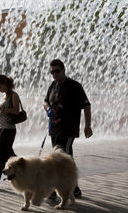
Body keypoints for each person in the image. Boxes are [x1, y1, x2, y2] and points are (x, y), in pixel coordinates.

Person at [44, 59, 93, 198]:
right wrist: (48, 109)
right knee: (63, 158)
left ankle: (55, 190)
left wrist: (88, 125)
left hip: (68, 129)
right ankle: (74, 188)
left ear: (64, 70)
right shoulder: (53, 85)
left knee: (61, 158)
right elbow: (45, 101)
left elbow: (87, 105)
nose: (54, 74)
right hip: (54, 128)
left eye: (57, 71)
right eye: (52, 72)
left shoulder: (74, 86)